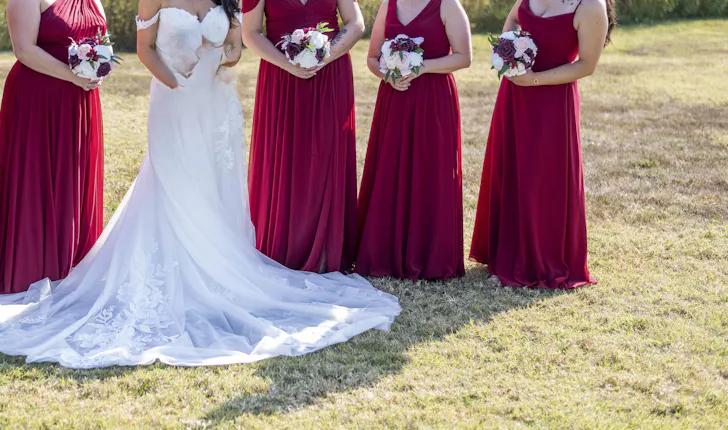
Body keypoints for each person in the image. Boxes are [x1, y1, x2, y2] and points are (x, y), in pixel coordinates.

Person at [0, 0, 400, 369]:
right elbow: (145, 49)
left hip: (215, 102)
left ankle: (219, 264)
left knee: (214, 185)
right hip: (173, 100)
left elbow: (236, 46)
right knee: (174, 181)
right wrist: (176, 83)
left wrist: (222, 56)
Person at [470, 0, 615, 288]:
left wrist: (534, 80)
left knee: (542, 178)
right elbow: (513, 19)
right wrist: (509, 54)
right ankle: (506, 252)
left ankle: (541, 260)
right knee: (511, 170)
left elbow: (587, 65)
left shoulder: (590, 6)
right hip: (514, 93)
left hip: (553, 102)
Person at [0, 0, 108, 294]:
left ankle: (74, 265)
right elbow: (24, 50)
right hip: (39, 99)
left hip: (81, 100)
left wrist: (99, 69)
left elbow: (101, 41)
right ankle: (35, 267)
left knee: (73, 179)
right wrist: (73, 76)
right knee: (37, 179)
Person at [241, 0, 367, 273]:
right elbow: (250, 34)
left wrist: (323, 56)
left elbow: (356, 24)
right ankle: (281, 246)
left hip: (330, 73)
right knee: (286, 157)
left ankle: (327, 251)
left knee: (326, 155)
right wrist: (288, 64)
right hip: (281, 76)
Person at [355, 0, 471, 280]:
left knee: (431, 172)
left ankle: (430, 255)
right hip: (395, 98)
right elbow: (372, 58)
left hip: (434, 100)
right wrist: (387, 76)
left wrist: (420, 66)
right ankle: (385, 252)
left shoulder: (447, 5)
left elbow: (463, 57)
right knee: (391, 170)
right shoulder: (388, 5)